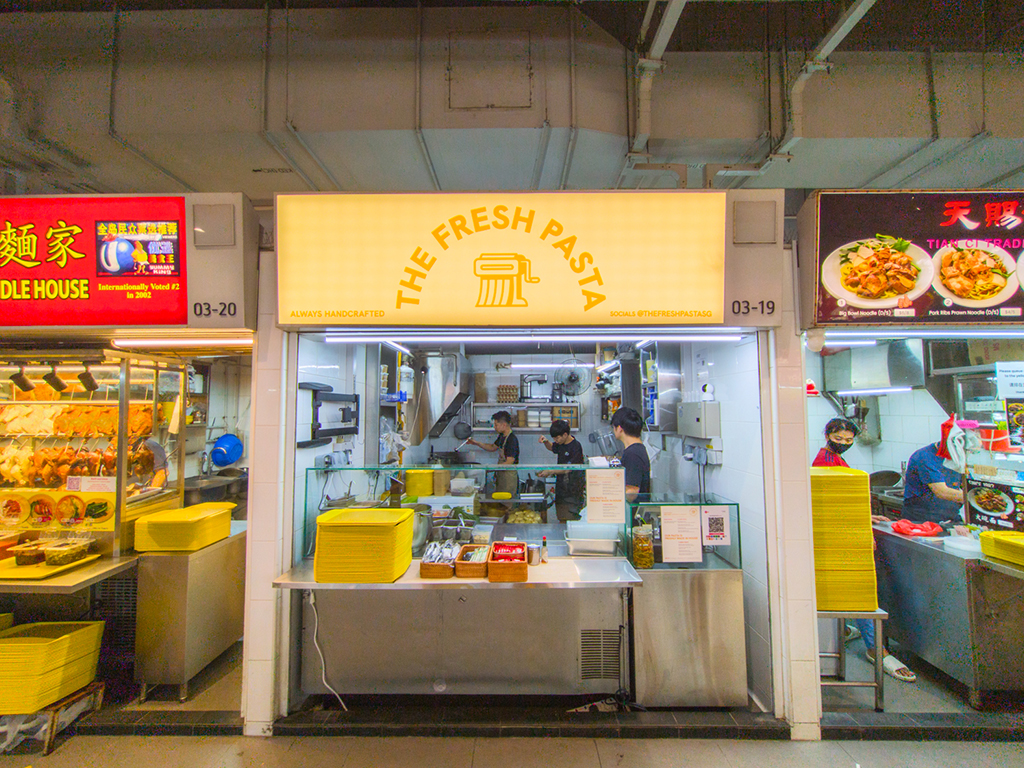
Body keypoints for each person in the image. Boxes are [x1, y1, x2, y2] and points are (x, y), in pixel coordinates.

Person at [812, 417, 917, 683]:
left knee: (852, 591)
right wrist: (861, 525)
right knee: (862, 591)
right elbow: (835, 504)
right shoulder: (825, 462)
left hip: (843, 532)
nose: (844, 443)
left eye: (849, 440)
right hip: (842, 536)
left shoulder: (835, 460)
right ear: (827, 435)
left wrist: (866, 517)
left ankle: (847, 631)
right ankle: (876, 649)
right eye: (839, 439)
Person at [902, 429, 964, 524]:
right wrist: (974, 499)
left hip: (950, 516)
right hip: (921, 519)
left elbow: (967, 484)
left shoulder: (958, 457)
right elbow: (941, 492)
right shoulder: (924, 456)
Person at [538, 419, 586, 522]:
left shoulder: (576, 446)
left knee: (570, 520)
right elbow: (552, 447)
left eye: (557, 438)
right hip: (561, 489)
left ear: (565, 434)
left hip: (572, 492)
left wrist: (550, 471)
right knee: (561, 518)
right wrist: (546, 441)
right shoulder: (560, 444)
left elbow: (568, 469)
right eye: (554, 438)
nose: (555, 440)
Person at [467, 410, 519, 495]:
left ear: (504, 425)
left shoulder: (511, 440)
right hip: (501, 474)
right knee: (500, 499)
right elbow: (492, 447)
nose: (494, 427)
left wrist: (492, 468)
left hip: (508, 476)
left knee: (507, 500)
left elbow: (509, 462)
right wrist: (476, 443)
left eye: (496, 425)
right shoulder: (502, 436)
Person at [611, 407, 650, 502]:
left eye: (613, 427)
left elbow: (631, 492)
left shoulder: (633, 454)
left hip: (634, 509)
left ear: (619, 428)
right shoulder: (636, 449)